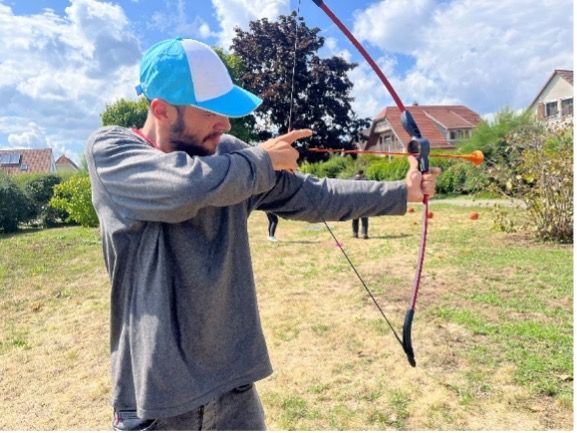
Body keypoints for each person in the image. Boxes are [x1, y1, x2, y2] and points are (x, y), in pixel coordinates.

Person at [85, 37, 440, 431]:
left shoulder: (232, 157)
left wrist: (402, 192)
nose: (225, 124)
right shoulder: (112, 151)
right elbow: (184, 187)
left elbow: (314, 195)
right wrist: (262, 160)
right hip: (157, 400)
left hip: (234, 390)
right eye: (212, 112)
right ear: (161, 110)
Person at [351, 170, 369, 239]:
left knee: (355, 219)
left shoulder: (352, 180)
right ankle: (364, 234)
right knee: (364, 219)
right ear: (362, 173)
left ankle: (355, 233)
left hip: (355, 202)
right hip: (364, 201)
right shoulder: (365, 180)